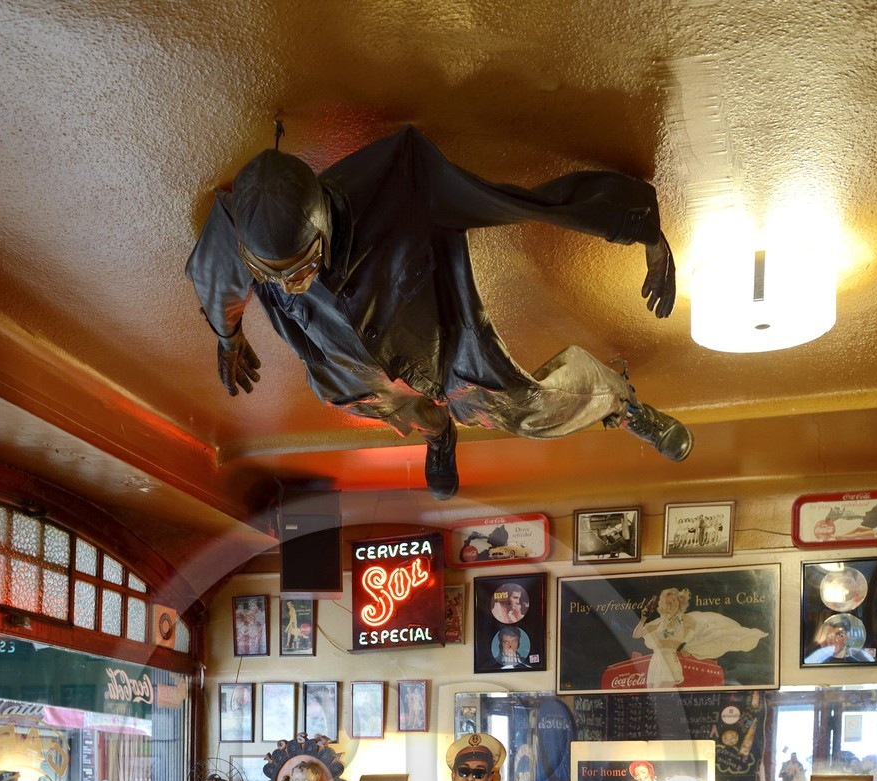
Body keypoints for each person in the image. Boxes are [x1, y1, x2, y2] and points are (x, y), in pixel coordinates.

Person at [186, 126, 692, 502]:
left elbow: (523, 203)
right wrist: (228, 336)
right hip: (345, 368)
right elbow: (218, 276)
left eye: (303, 265)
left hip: (442, 349)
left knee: (528, 412)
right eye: (271, 274)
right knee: (401, 413)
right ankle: (440, 437)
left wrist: (641, 229)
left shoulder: (404, 180)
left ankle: (620, 402)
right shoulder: (236, 228)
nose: (291, 284)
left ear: (321, 222)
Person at [632, 585, 767, 687]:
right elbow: (636, 635)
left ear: (679, 603)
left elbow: (694, 635)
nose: (671, 605)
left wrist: (687, 648)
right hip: (656, 661)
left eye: (674, 601)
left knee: (662, 694)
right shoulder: (658, 623)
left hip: (670, 660)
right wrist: (643, 618)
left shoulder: (685, 620)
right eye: (668, 603)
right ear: (663, 605)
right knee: (652, 697)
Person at [804, 615, 871, 664]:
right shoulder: (816, 657)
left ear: (847, 636)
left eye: (839, 635)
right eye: (829, 635)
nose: (832, 640)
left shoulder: (860, 658)